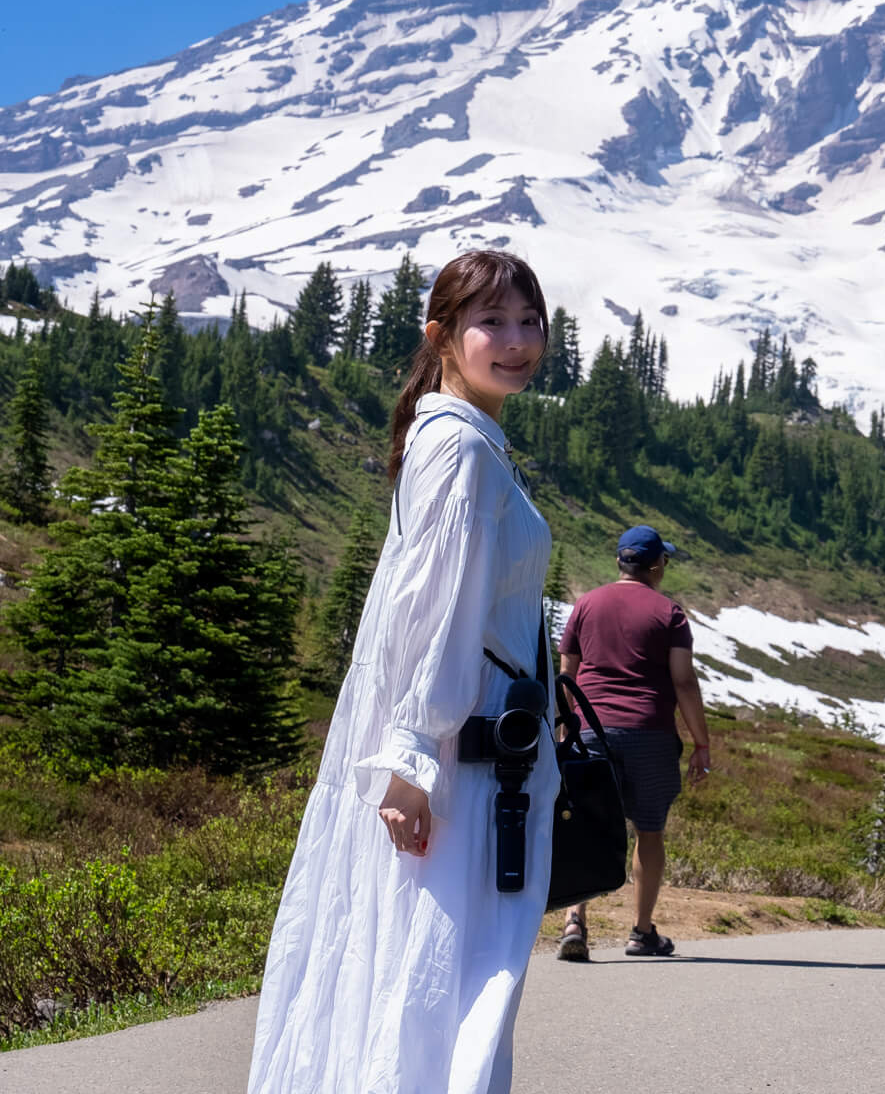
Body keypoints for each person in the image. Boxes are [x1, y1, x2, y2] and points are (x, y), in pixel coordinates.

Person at [249, 250, 556, 1094]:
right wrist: (413, 762)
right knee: (453, 974)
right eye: (493, 321)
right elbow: (428, 619)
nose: (517, 340)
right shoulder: (459, 451)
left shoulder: (464, 441)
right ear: (443, 336)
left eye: (530, 321)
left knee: (434, 968)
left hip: (475, 756)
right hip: (464, 767)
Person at [555, 524, 712, 961]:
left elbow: (567, 674)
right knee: (649, 829)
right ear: (657, 565)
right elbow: (683, 680)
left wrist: (566, 731)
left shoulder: (586, 605)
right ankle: (642, 932)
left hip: (591, 729)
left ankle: (574, 920)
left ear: (619, 562)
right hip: (650, 733)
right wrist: (701, 743)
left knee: (585, 823)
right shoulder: (670, 614)